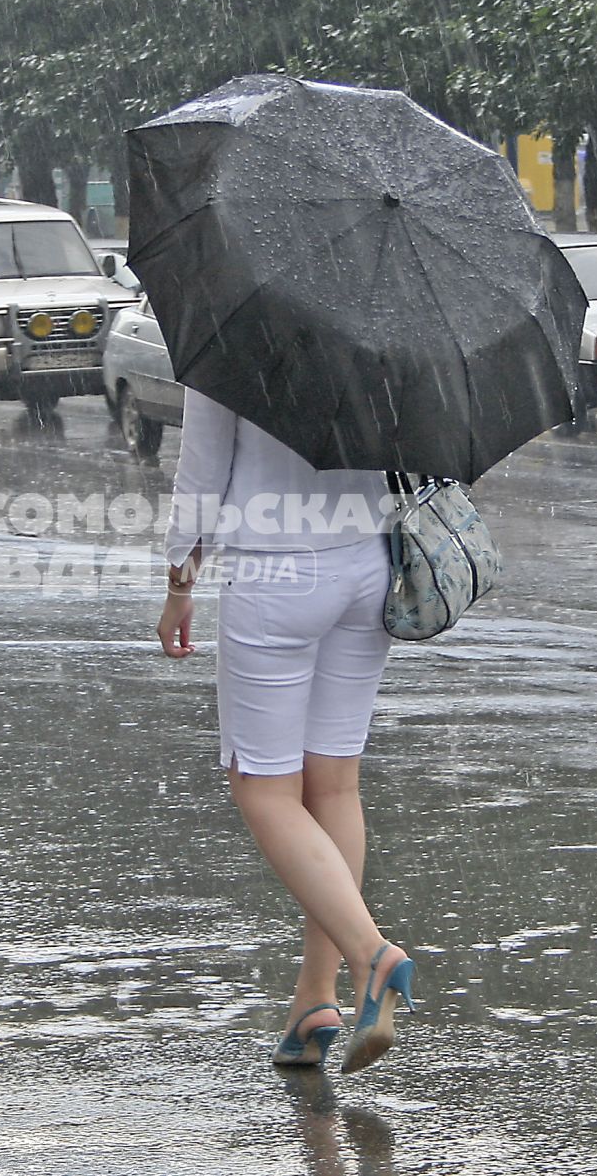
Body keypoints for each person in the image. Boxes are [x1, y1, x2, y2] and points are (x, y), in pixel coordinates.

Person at [155, 390, 414, 1073]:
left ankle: (372, 955)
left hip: (277, 567)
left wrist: (180, 579)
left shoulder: (233, 320)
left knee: (265, 789)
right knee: (333, 786)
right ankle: (316, 996)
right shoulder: (379, 309)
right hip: (369, 561)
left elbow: (204, 463)